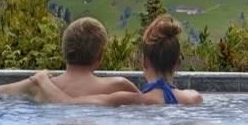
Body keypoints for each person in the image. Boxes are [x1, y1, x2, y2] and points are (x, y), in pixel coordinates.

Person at [30, 14, 202, 106]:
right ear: (177, 63)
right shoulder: (193, 99)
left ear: (144, 62)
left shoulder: (132, 99)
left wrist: (42, 80)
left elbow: (68, 103)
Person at [0, 17, 138, 100]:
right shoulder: (118, 86)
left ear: (64, 52)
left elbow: (0, 92)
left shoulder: (38, 86)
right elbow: (149, 107)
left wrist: (37, 78)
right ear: (100, 57)